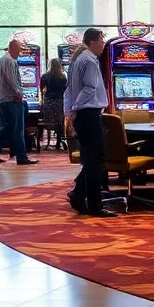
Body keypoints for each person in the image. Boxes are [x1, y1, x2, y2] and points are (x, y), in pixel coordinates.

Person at [66, 28, 114, 217]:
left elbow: (68, 90)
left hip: (84, 114)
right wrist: (76, 108)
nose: (104, 44)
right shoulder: (89, 61)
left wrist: (71, 111)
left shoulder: (80, 59)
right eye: (102, 40)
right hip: (88, 113)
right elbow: (89, 89)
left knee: (91, 160)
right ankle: (94, 205)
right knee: (96, 161)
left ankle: (79, 195)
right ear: (93, 41)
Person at [0, 40, 37, 165]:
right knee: (18, 130)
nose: (19, 52)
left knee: (5, 128)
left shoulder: (1, 61)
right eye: (18, 49)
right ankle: (21, 157)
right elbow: (12, 81)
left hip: (2, 99)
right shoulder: (10, 61)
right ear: (10, 47)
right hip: (11, 100)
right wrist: (20, 95)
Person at [39, 57, 67, 150]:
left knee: (45, 119)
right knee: (59, 122)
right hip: (60, 101)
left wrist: (42, 102)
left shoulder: (45, 76)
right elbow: (65, 90)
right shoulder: (63, 77)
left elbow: (41, 89)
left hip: (49, 102)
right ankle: (59, 142)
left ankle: (40, 140)